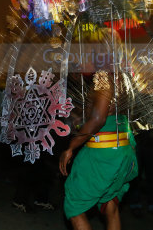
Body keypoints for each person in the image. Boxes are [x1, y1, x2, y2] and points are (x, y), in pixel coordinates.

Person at [59, 30, 138, 230]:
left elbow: (98, 119)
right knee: (110, 205)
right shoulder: (123, 75)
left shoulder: (103, 75)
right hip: (122, 149)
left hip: (103, 155)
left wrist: (71, 146)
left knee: (74, 206)